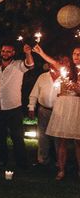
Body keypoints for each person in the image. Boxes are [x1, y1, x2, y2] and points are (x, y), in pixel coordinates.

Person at [32, 44, 80, 180]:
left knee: (78, 142)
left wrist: (76, 89)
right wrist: (41, 52)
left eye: (79, 54)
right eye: (75, 54)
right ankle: (61, 170)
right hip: (63, 106)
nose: (76, 56)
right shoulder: (67, 69)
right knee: (62, 140)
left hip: (76, 106)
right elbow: (52, 62)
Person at [0, 42, 34, 168]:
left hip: (14, 107)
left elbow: (30, 64)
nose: (5, 53)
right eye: (3, 51)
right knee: (0, 137)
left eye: (8, 51)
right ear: (1, 52)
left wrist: (28, 53)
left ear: (13, 53)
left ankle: (21, 162)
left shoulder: (18, 65)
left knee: (17, 137)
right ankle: (2, 160)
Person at [28, 64, 61, 168]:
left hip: (59, 111)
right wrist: (31, 107)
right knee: (43, 136)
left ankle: (59, 161)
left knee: (58, 137)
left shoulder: (65, 78)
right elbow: (34, 93)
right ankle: (42, 160)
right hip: (44, 110)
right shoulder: (42, 77)